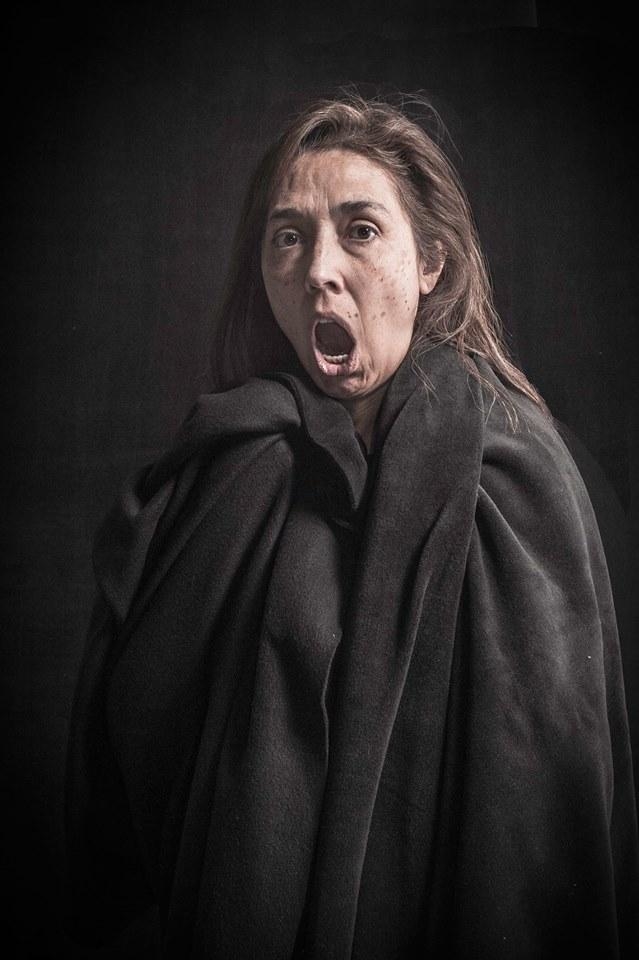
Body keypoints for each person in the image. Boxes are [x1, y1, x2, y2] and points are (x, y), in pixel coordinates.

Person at [65, 94, 639, 959]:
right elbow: (135, 754)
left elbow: (547, 807)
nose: (318, 270)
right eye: (287, 238)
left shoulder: (520, 470)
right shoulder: (224, 471)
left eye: (360, 230)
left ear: (430, 262)